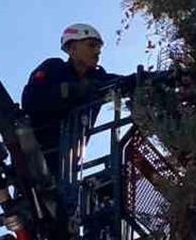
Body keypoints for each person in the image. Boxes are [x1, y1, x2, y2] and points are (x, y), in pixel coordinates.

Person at [21, 23, 122, 176]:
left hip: (66, 166)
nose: (97, 52)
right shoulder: (54, 68)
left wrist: (153, 79)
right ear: (72, 48)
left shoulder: (98, 78)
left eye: (98, 48)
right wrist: (72, 90)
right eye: (91, 45)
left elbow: (125, 82)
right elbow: (31, 100)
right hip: (37, 155)